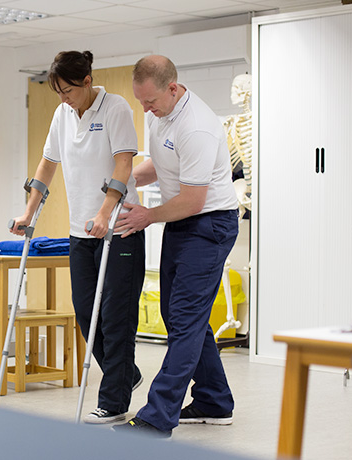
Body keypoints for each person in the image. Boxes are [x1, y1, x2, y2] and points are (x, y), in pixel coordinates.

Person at [11, 50, 145, 424]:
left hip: (119, 229)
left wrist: (105, 213)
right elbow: (47, 164)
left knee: (117, 318)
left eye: (68, 90)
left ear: (87, 81)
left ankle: (114, 401)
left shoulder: (115, 108)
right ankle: (126, 376)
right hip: (80, 233)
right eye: (58, 92)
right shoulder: (62, 114)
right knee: (87, 314)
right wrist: (28, 211)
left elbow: (124, 162)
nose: (64, 99)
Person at [113, 55, 239, 438]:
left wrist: (147, 216)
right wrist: (120, 180)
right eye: (140, 102)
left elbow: (193, 200)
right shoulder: (158, 112)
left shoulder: (197, 126)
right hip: (182, 222)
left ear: (173, 87)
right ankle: (214, 401)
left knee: (185, 319)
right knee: (178, 314)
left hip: (209, 223)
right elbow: (161, 165)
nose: (145, 109)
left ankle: (157, 416)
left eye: (150, 102)